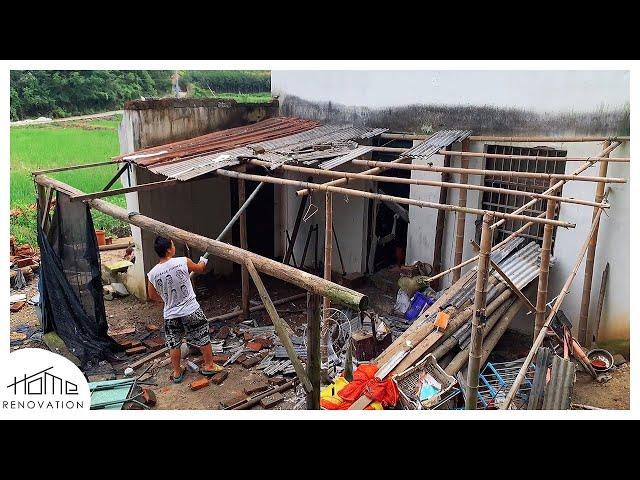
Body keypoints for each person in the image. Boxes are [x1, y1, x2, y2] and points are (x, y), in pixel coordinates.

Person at [147, 235, 223, 383]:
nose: (174, 247)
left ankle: (176, 372)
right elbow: (200, 269)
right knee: (202, 335)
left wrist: (166, 300)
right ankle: (209, 365)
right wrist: (204, 258)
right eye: (173, 245)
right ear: (169, 250)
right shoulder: (182, 261)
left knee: (174, 342)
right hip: (191, 309)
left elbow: (151, 295)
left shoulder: (153, 273)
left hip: (170, 314)